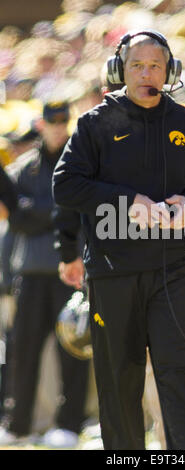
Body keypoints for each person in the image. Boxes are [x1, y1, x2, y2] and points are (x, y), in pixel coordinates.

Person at [53, 30, 185, 450]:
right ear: (119, 70)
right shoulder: (94, 123)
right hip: (114, 271)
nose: (147, 73)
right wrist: (128, 202)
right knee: (119, 380)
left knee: (176, 371)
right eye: (137, 65)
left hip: (176, 268)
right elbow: (66, 187)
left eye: (155, 66)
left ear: (170, 71)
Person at [0, 101, 90, 448]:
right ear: (41, 123)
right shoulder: (25, 168)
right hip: (31, 273)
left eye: (63, 120)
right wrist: (57, 212)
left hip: (70, 273)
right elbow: (18, 220)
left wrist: (38, 213)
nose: (57, 126)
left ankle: (69, 424)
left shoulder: (79, 162)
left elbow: (81, 212)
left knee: (74, 347)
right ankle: (18, 422)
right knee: (23, 350)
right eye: (51, 121)